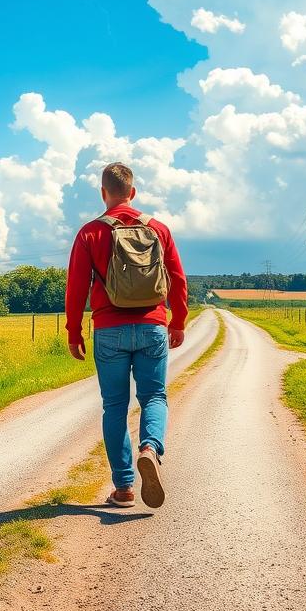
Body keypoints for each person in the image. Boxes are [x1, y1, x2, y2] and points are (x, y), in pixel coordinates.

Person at [65, 162, 188, 509]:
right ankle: (149, 448)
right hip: (152, 327)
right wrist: (177, 321)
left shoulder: (90, 233)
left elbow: (76, 288)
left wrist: (74, 332)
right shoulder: (159, 229)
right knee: (154, 398)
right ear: (132, 193)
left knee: (115, 406)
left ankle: (124, 487)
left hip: (109, 331)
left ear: (103, 193)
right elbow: (177, 279)